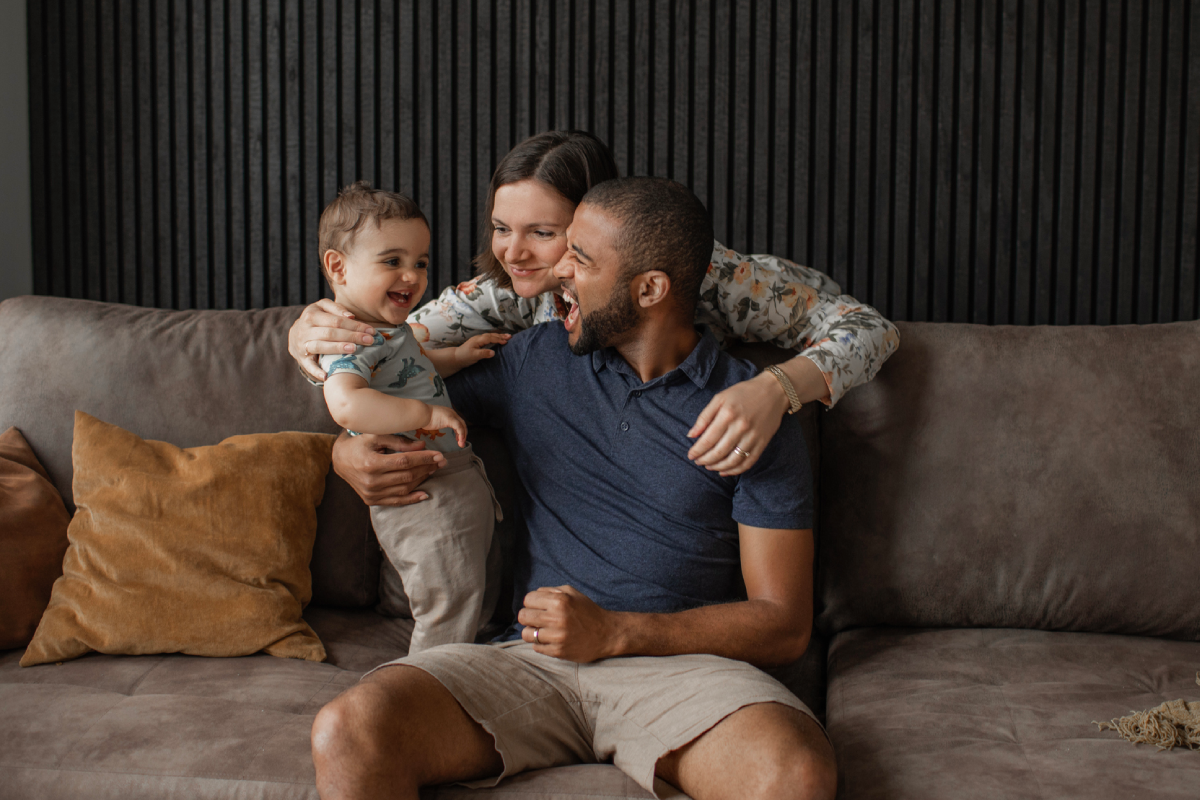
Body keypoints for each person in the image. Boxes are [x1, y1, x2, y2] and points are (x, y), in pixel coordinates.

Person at [309, 177, 836, 800]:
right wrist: (345, 451)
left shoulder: (752, 412)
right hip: (529, 664)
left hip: (685, 676)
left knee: (795, 775)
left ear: (650, 289)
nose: (557, 270)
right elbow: (394, 393)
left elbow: (783, 625)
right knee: (349, 729)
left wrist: (617, 632)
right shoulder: (536, 360)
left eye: (579, 258)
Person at [287, 131, 899, 506]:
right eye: (501, 228)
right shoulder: (506, 292)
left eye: (544, 233)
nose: (513, 252)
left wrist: (775, 388)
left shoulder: (712, 280)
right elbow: (390, 349)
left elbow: (870, 328)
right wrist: (310, 351)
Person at [314, 181, 506, 653]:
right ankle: (426, 685)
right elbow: (346, 403)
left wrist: (457, 356)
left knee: (475, 589)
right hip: (421, 491)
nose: (412, 276)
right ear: (338, 267)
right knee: (448, 598)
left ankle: (469, 664)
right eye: (392, 261)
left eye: (419, 263)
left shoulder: (392, 332)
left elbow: (414, 366)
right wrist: (423, 413)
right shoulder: (351, 340)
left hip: (458, 480)